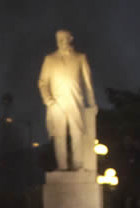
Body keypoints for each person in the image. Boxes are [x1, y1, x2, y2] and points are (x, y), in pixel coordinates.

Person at [37, 29, 96, 171]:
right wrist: (49, 100)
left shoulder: (80, 58)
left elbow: (88, 83)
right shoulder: (50, 59)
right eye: (59, 39)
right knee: (59, 135)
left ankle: (78, 164)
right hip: (57, 103)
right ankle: (62, 166)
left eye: (64, 38)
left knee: (77, 133)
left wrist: (92, 103)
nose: (61, 42)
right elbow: (43, 82)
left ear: (70, 39)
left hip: (76, 101)